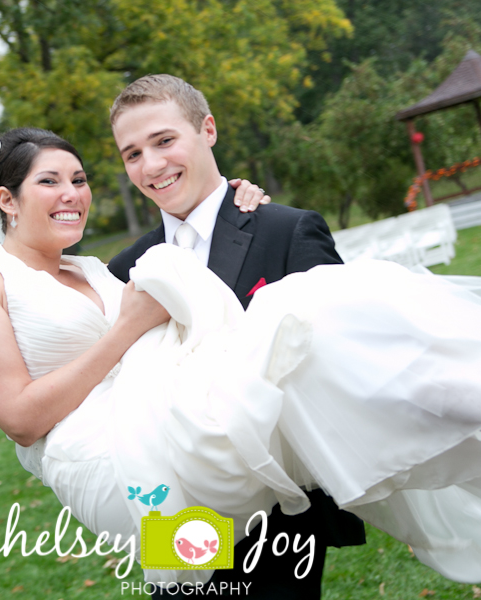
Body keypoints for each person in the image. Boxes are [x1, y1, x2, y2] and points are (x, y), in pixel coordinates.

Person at [0, 126, 481, 594]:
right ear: (7, 200)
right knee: (310, 312)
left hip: (175, 417)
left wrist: (230, 204)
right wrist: (127, 330)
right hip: (115, 468)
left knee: (336, 302)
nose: (72, 195)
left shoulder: (100, 269)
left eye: (80, 180)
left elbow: (191, 277)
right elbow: (21, 419)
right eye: (49, 182)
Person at [105, 74, 363, 598]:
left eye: (164, 141)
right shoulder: (125, 269)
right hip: (172, 500)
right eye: (132, 154)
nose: (151, 165)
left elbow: (339, 355)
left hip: (276, 506)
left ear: (208, 130)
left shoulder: (285, 231)